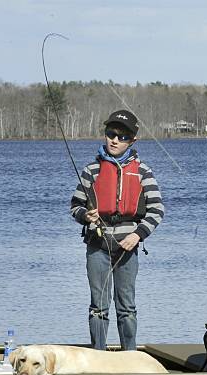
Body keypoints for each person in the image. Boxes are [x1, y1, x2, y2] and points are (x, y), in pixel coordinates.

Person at [70, 110, 164, 350]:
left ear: (132, 141)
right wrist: (86, 216)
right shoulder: (91, 170)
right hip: (97, 247)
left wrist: (137, 235)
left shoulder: (143, 172)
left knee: (127, 308)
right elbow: (75, 207)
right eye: (110, 134)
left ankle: (130, 356)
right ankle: (98, 356)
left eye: (121, 137)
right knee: (98, 307)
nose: (114, 140)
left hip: (127, 249)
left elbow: (157, 211)